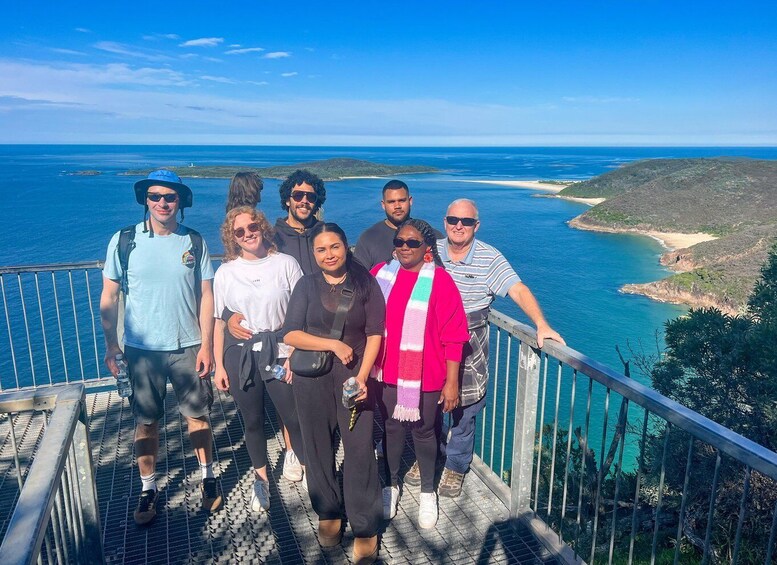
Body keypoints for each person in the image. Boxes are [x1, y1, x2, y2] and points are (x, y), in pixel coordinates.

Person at [100, 169, 220, 526]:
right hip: (141, 350)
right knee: (146, 422)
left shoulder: (194, 242)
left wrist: (208, 346)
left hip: (188, 345)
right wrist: (111, 345)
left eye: (170, 197)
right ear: (145, 200)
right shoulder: (124, 241)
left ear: (180, 201)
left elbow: (207, 296)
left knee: (197, 416)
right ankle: (148, 487)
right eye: (155, 196)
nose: (162, 203)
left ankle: (208, 476)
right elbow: (109, 296)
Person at [431, 198, 565, 499]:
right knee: (427, 403)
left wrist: (541, 324)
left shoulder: (490, 258)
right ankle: (431, 455)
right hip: (431, 340)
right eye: (453, 220)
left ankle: (455, 465)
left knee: (464, 409)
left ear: (476, 226)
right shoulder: (433, 251)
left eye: (466, 222)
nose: (459, 226)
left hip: (468, 341)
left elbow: (517, 288)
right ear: (445, 222)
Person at [283, 223, 384, 564]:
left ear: (346, 246)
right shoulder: (306, 285)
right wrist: (332, 343)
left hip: (352, 378)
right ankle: (328, 511)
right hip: (312, 378)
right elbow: (291, 334)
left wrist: (364, 376)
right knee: (316, 445)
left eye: (335, 247)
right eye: (322, 250)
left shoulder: (365, 283)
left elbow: (374, 334)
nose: (329, 255)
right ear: (314, 254)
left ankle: (366, 525)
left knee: (358, 449)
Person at [371, 219, 468, 530]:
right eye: (399, 241)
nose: (404, 247)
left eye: (412, 243)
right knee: (391, 428)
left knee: (425, 432)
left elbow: (454, 336)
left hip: (426, 376)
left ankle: (428, 492)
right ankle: (391, 485)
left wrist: (452, 383)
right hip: (386, 372)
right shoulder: (380, 275)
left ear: (427, 248)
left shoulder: (440, 281)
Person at [212, 207, 305, 513]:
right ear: (232, 237)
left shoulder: (285, 264)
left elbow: (301, 313)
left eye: (252, 226)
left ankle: (296, 455)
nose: (248, 233)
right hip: (241, 355)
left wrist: (294, 354)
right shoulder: (226, 272)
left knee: (291, 415)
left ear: (262, 227)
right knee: (252, 421)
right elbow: (219, 321)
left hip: (279, 349)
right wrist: (219, 366)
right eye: (239, 231)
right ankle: (261, 479)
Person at [354, 179, 443, 270]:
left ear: (410, 201)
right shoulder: (368, 238)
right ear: (383, 205)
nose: (397, 206)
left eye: (402, 200)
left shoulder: (431, 236)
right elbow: (358, 277)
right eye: (391, 202)